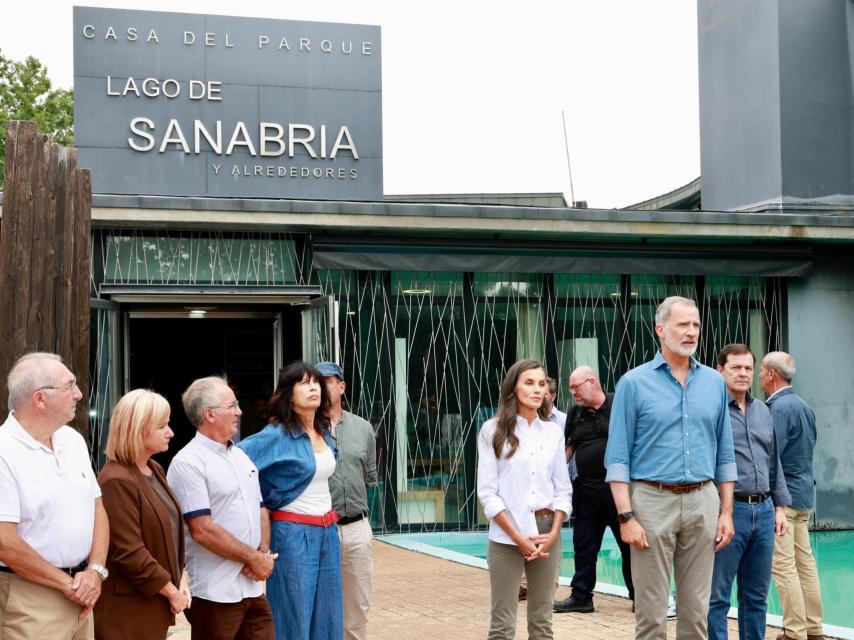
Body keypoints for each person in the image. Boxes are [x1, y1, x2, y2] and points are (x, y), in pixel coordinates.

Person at [604, 296, 737, 640]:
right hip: (651, 501)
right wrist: (626, 517)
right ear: (660, 329)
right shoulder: (633, 384)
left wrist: (725, 512)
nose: (691, 332)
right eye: (683, 325)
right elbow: (617, 457)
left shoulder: (714, 383)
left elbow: (724, 453)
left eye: (696, 325)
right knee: (651, 614)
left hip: (703, 500)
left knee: (697, 613)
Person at [0, 352, 109, 640]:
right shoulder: (3, 452)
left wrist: (95, 572)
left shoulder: (72, 440)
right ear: (40, 399)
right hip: (30, 599)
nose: (79, 393)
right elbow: (3, 541)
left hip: (82, 591)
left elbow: (96, 508)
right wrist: (70, 585)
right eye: (69, 385)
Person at [238, 361, 343, 640]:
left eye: (316, 383)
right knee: (293, 616)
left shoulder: (323, 429)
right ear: (288, 393)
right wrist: (261, 506)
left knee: (329, 615)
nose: (313, 388)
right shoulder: (276, 434)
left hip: (328, 532)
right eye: (304, 383)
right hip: (293, 534)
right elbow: (234, 463)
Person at [167, 376, 275, 640]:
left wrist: (261, 553)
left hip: (252, 587)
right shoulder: (188, 463)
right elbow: (202, 530)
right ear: (209, 414)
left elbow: (260, 508)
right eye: (232, 405)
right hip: (215, 592)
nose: (240, 411)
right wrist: (253, 558)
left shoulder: (240, 456)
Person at [477, 358, 572, 640]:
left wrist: (554, 532)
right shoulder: (492, 430)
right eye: (529, 383)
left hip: (546, 533)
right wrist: (518, 537)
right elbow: (487, 493)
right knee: (502, 625)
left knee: (543, 623)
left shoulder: (554, 432)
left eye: (541, 384)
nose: (537, 389)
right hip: (507, 535)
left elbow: (562, 489)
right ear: (513, 388)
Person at [707, 344, 791, 640]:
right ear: (720, 371)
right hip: (729, 513)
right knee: (717, 596)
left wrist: (780, 507)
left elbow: (774, 460)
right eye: (736, 368)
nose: (743, 374)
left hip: (764, 512)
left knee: (756, 597)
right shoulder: (712, 412)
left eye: (747, 368)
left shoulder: (762, 411)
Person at [95, 388, 191, 640]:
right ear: (137, 429)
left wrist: (181, 580)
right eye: (162, 426)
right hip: (127, 610)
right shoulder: (116, 479)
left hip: (152, 602)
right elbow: (129, 551)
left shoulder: (153, 467)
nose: (170, 432)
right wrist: (172, 591)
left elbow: (169, 533)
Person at [554, 366, 634, 614]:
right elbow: (568, 450)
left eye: (575, 386)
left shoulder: (618, 404)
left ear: (592, 382)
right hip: (587, 491)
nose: (572, 392)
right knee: (584, 545)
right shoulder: (575, 413)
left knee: (629, 546)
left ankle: (640, 596)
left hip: (618, 491)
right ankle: (581, 597)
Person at [760, 352, 825, 640]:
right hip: (804, 495)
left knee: (784, 566)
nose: (758, 375)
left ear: (772, 374)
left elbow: (770, 456)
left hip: (783, 499)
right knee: (805, 564)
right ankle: (814, 629)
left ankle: (795, 632)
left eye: (761, 370)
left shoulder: (777, 409)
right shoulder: (804, 406)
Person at [315, 361, 377, 640]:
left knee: (358, 604)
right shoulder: (304, 429)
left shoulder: (363, 428)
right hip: (318, 528)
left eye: (328, 381)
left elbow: (370, 477)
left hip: (357, 528)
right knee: (321, 603)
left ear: (341, 387)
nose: (322, 386)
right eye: (317, 381)